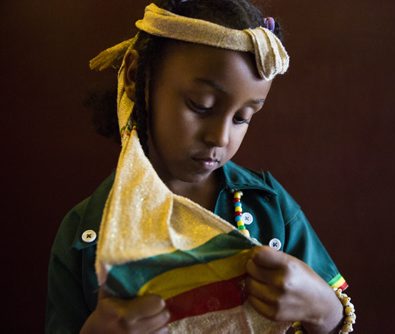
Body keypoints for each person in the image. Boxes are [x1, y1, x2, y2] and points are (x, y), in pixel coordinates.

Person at [46, 0, 355, 333]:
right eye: (201, 105)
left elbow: (334, 315)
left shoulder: (270, 206)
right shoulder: (86, 232)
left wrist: (324, 310)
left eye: (242, 118)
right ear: (137, 77)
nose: (220, 137)